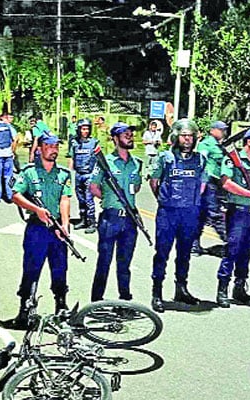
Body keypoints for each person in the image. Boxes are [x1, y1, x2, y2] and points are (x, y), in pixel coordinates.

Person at [11, 134, 72, 326]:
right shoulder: (30, 172)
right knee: (31, 268)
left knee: (60, 268)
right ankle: (25, 308)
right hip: (37, 229)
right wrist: (36, 209)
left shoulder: (63, 174)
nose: (53, 150)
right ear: (39, 149)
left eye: (56, 146)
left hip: (56, 230)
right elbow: (16, 195)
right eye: (48, 146)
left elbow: (65, 199)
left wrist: (65, 224)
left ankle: (61, 306)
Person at [149, 119, 208, 313]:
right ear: (176, 136)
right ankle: (157, 292)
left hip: (190, 213)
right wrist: (164, 200)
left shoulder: (200, 159)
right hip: (168, 213)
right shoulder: (164, 157)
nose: (188, 139)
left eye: (191, 136)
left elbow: (202, 184)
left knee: (184, 253)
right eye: (184, 136)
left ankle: (181, 288)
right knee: (162, 253)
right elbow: (154, 182)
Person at [216, 127, 250, 308]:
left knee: (248, 251)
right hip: (238, 211)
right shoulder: (233, 159)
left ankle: (239, 286)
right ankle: (222, 289)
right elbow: (226, 183)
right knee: (232, 251)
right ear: (249, 141)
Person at [90, 122, 143, 302]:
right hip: (110, 218)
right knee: (104, 262)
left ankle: (125, 300)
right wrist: (109, 199)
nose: (129, 136)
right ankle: (96, 301)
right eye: (125, 133)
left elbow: (136, 187)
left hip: (129, 219)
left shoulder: (137, 163)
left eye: (130, 133)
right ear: (115, 138)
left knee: (124, 263)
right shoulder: (105, 162)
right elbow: (93, 187)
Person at [193, 120, 228, 254]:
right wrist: (201, 183)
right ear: (213, 130)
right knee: (214, 213)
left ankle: (194, 245)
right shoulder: (206, 144)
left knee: (202, 215)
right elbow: (201, 163)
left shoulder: (219, 146)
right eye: (221, 130)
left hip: (216, 184)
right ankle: (229, 242)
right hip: (207, 183)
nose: (224, 132)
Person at [68, 118, 99, 234]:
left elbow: (99, 160)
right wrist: (69, 174)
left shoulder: (94, 143)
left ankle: (91, 222)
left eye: (87, 129)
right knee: (80, 199)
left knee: (88, 199)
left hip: (89, 175)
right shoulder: (75, 143)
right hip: (78, 174)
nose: (85, 131)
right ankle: (83, 219)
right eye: (83, 129)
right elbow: (71, 158)